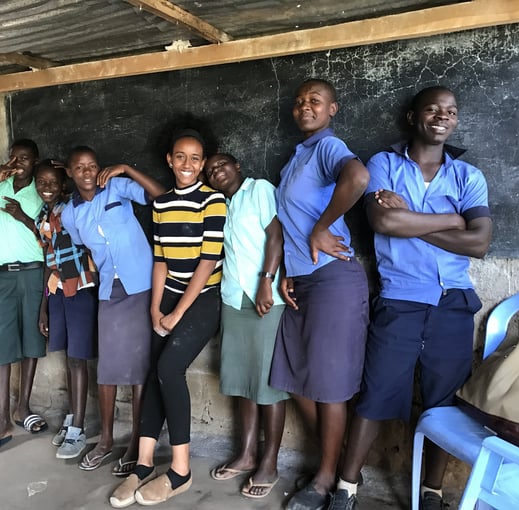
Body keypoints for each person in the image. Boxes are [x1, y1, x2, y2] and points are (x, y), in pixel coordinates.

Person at [329, 86, 492, 510]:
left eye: (451, 112)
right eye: (433, 109)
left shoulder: (467, 176)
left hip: (452, 301)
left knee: (445, 402)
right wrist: (453, 218)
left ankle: (432, 491)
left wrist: (413, 222)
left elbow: (479, 243)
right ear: (413, 117)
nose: (443, 117)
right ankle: (346, 487)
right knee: (375, 393)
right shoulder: (383, 164)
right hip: (399, 298)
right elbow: (383, 221)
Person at [109, 129, 226, 507]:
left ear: (204, 163)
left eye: (195, 158)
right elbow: (160, 259)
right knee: (153, 371)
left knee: (170, 368)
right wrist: (155, 308)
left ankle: (180, 471)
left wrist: (177, 313)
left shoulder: (214, 200)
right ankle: (142, 465)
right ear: (169, 160)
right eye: (180, 157)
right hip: (169, 296)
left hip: (204, 298)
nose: (187, 164)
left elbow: (207, 263)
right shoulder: (161, 205)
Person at [269, 79, 371, 510]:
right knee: (290, 374)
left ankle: (327, 478)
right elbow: (287, 224)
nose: (304, 107)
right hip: (304, 280)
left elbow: (359, 177)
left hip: (334, 279)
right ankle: (342, 456)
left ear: (333, 109)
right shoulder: (298, 157)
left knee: (329, 387)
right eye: (298, 102)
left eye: (314, 101)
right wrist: (289, 271)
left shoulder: (329, 147)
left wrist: (322, 226)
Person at [61, 146, 165, 473]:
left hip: (141, 283)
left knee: (138, 368)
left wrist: (126, 167)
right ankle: (106, 439)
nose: (88, 172)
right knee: (107, 368)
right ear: (70, 173)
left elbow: (160, 196)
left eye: (92, 165)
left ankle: (137, 439)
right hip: (110, 289)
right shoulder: (69, 213)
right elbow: (82, 243)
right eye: (80, 168)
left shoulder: (117, 188)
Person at [205, 153, 289, 500]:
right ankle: (247, 453)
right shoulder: (221, 204)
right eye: (210, 171)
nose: (217, 171)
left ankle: (269, 462)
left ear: (239, 166)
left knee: (268, 383)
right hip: (233, 298)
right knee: (243, 381)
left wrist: (266, 282)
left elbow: (276, 235)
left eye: (222, 164)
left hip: (263, 297)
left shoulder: (259, 190)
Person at [0, 139, 47, 457]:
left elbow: (49, 235)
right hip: (2, 276)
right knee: (1, 345)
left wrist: (21, 217)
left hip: (33, 273)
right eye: (14, 157)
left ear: (35, 162)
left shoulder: (42, 191)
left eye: (25, 158)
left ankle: (22, 408)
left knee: (31, 341)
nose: (18, 162)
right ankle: (1, 421)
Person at [31, 160, 98, 460]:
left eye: (53, 182)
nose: (46, 187)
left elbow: (91, 190)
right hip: (58, 292)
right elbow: (49, 261)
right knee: (69, 359)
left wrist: (70, 170)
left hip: (81, 289)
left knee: (77, 359)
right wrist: (45, 305)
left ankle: (79, 430)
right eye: (41, 182)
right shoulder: (42, 215)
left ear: (64, 184)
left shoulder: (74, 205)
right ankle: (74, 415)